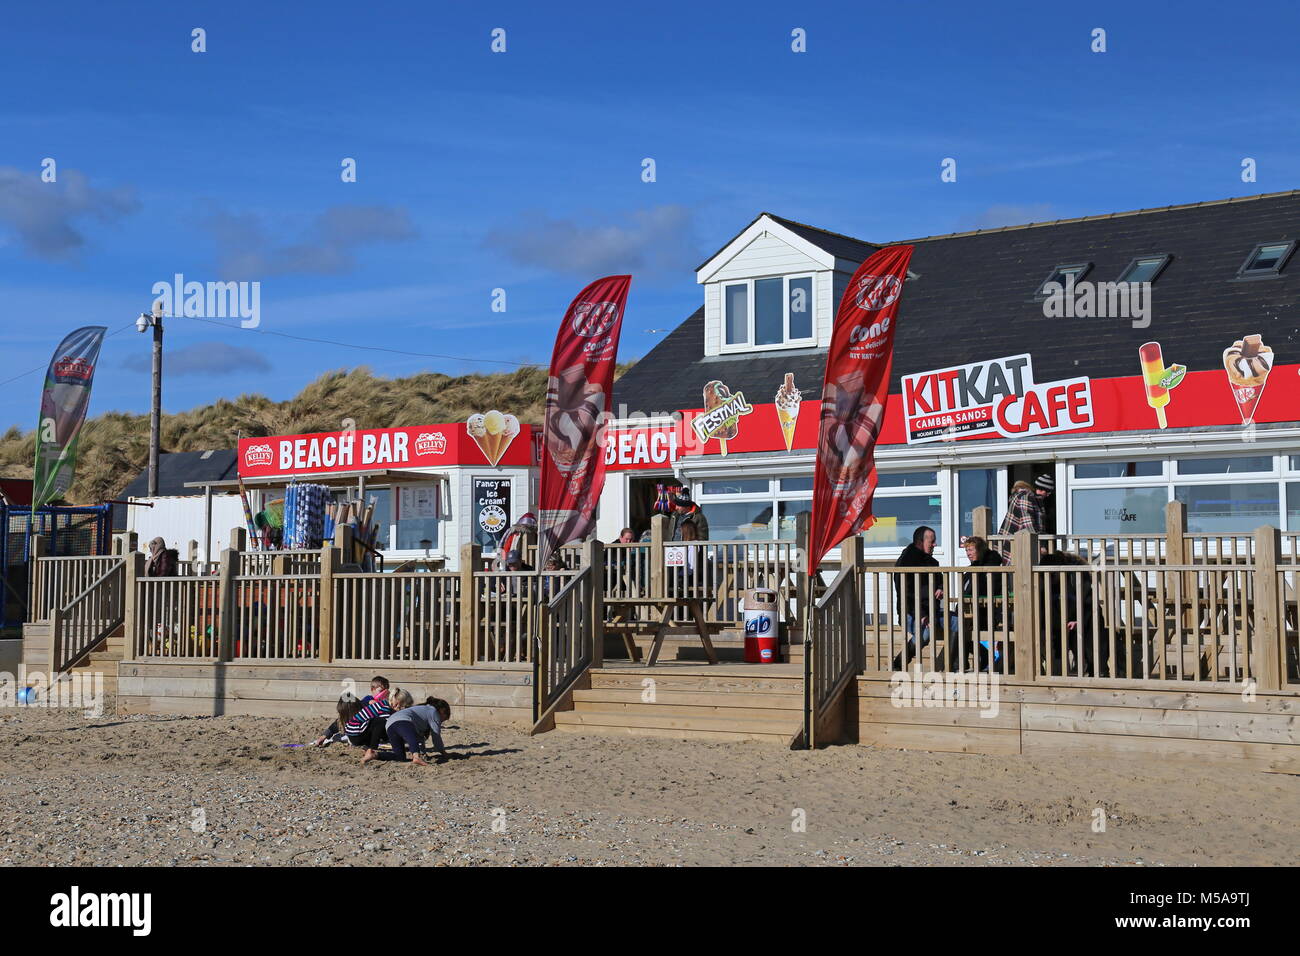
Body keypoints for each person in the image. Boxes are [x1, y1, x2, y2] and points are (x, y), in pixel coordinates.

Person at [891, 526, 954, 669]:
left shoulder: (933, 562)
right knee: (926, 632)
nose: (935, 544)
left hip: (933, 612)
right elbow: (905, 593)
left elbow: (940, 581)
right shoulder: (905, 562)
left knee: (958, 622)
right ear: (920, 542)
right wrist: (922, 614)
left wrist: (941, 588)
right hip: (910, 612)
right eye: (932, 541)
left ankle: (953, 664)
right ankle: (898, 663)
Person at [956, 536, 1005, 671]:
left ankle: (984, 659)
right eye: (967, 551)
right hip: (973, 608)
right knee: (959, 626)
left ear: (980, 550)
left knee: (964, 629)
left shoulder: (990, 566)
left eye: (971, 550)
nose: (968, 554)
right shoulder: (973, 568)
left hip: (990, 608)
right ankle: (966, 662)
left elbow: (985, 588)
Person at [366, 696, 451, 766]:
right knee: (411, 737)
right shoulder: (433, 711)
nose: (440, 722)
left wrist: (423, 753)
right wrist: (443, 753)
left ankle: (374, 755)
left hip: (389, 724)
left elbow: (420, 738)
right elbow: (436, 736)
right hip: (402, 721)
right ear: (442, 711)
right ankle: (416, 757)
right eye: (443, 719)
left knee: (400, 756)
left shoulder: (421, 715)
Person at [310, 676, 388, 746]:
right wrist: (323, 736)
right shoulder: (365, 703)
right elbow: (337, 723)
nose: (383, 694)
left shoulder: (382, 704)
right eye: (381, 691)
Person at [345, 684, 398, 751]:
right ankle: (373, 748)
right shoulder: (385, 706)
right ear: (396, 703)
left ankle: (370, 744)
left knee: (378, 722)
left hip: (355, 733)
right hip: (355, 735)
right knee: (382, 722)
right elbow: (387, 725)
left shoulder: (383, 704)